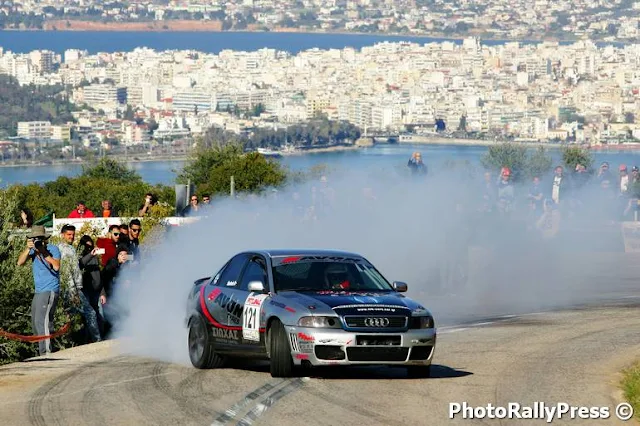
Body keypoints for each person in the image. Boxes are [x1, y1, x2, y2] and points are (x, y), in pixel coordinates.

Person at [16, 225, 61, 356]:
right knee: (36, 323)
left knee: (43, 321)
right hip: (38, 291)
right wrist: (28, 248)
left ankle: (46, 352)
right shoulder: (32, 250)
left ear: (45, 238)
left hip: (50, 288)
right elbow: (19, 263)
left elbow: (56, 266)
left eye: (39, 238)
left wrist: (43, 252)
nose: (37, 240)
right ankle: (47, 347)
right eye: (34, 238)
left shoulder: (53, 249)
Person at [57, 224, 101, 344]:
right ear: (62, 235)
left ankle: (71, 341)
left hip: (72, 287)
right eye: (69, 234)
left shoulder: (70, 248)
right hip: (72, 288)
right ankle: (97, 340)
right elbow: (66, 272)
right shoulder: (65, 250)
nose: (71, 237)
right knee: (90, 313)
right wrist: (73, 291)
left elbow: (76, 267)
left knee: (72, 315)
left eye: (73, 234)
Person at [78, 235, 105, 340]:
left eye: (91, 247)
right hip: (86, 291)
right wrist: (90, 254)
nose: (90, 249)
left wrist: (102, 293)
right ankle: (89, 340)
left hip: (96, 291)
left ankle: (101, 339)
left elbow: (99, 276)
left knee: (101, 317)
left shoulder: (95, 258)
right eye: (87, 247)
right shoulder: (80, 256)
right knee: (89, 316)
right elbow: (79, 264)